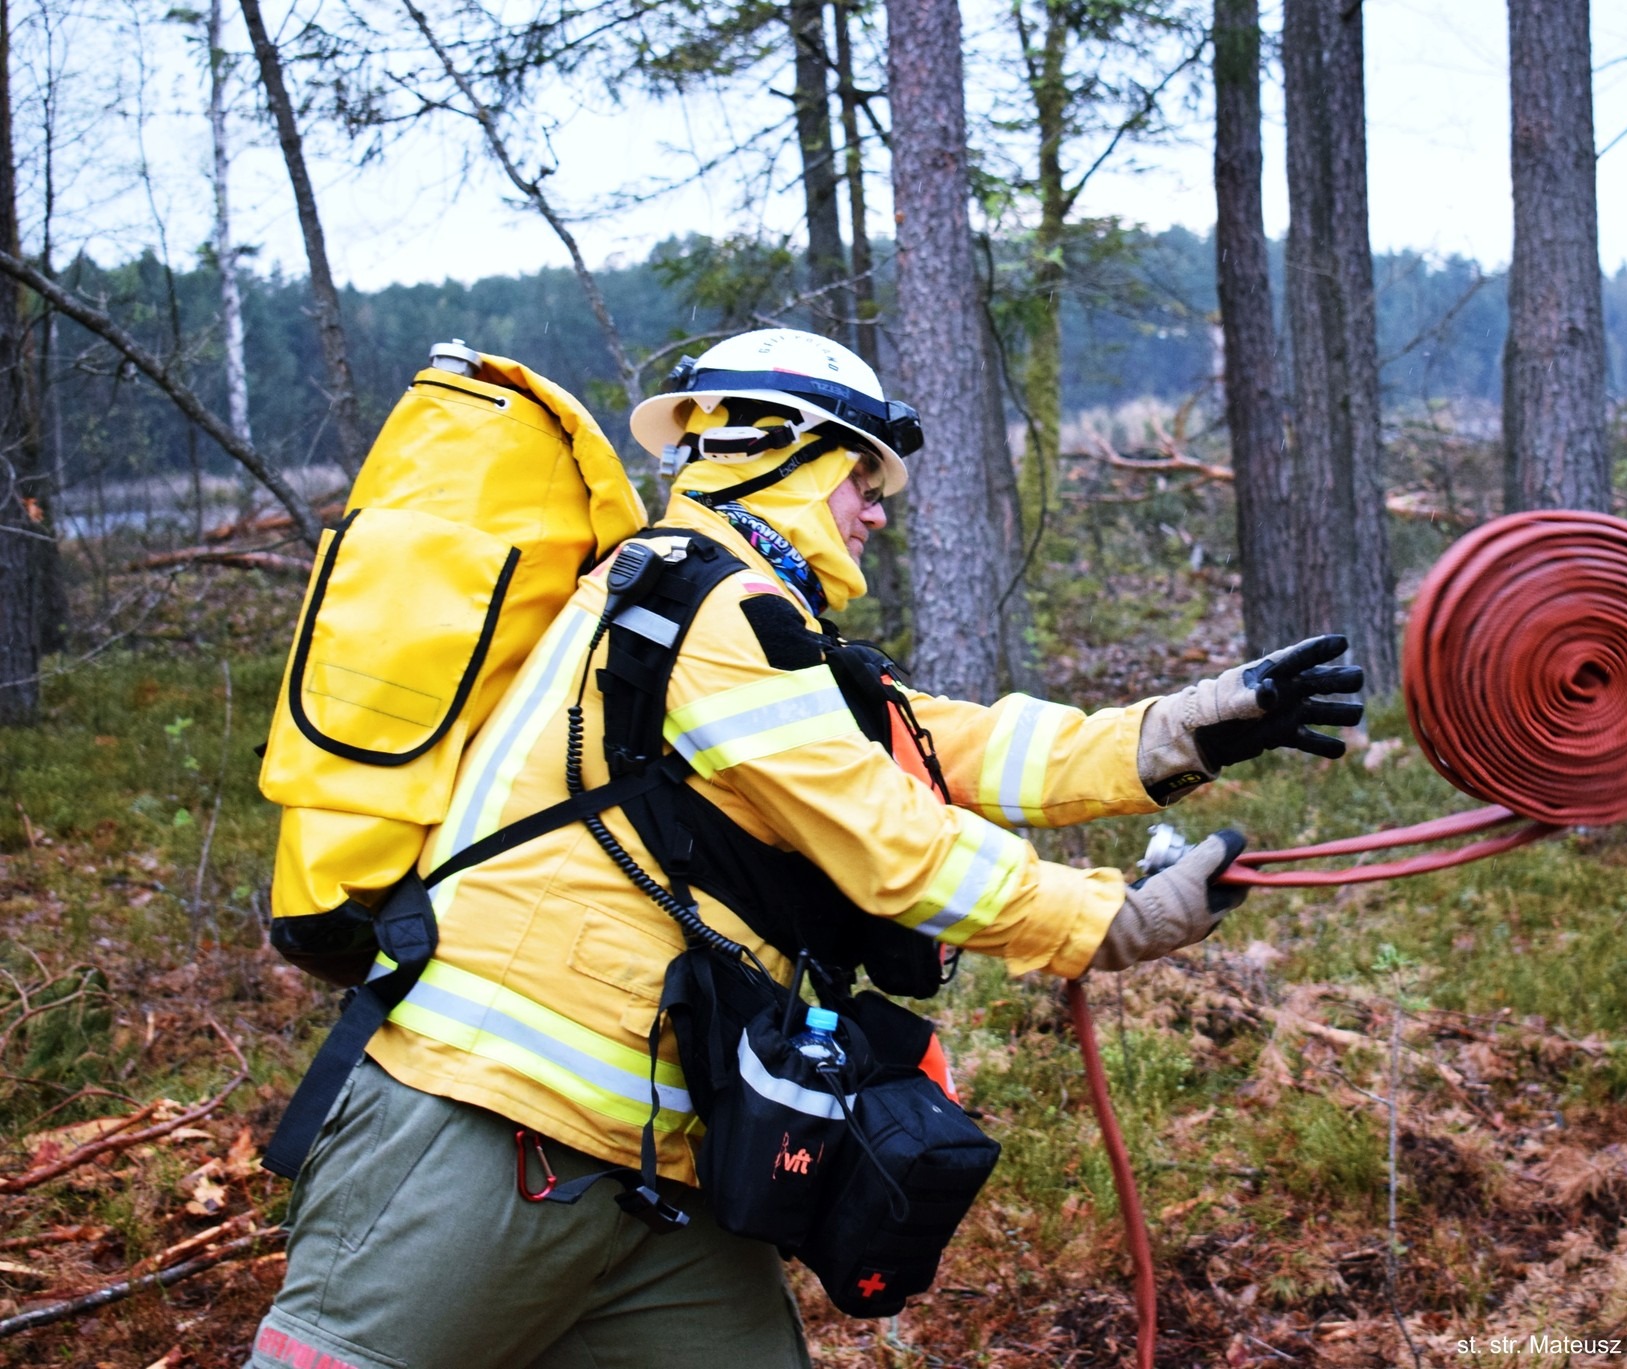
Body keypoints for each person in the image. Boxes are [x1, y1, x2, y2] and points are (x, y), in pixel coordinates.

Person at [246, 328, 1362, 1369]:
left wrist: (1181, 730)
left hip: (656, 1165)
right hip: (483, 1134)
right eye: (860, 476)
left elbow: (950, 749)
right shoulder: (705, 608)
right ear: (773, 452)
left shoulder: (752, 627)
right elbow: (893, 840)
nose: (874, 511)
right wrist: (1103, 920)